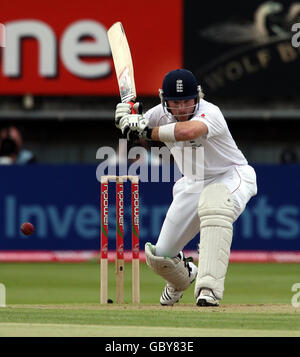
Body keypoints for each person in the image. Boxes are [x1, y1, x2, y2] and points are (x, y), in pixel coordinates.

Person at [114, 69, 257, 307]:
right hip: (192, 184)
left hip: (231, 175)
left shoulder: (210, 112)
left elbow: (189, 131)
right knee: (160, 257)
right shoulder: (158, 114)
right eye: (175, 102)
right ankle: (183, 278)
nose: (181, 108)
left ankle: (208, 290)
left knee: (216, 204)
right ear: (164, 100)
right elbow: (132, 134)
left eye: (186, 101)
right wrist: (124, 120)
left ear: (197, 97)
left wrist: (145, 130)